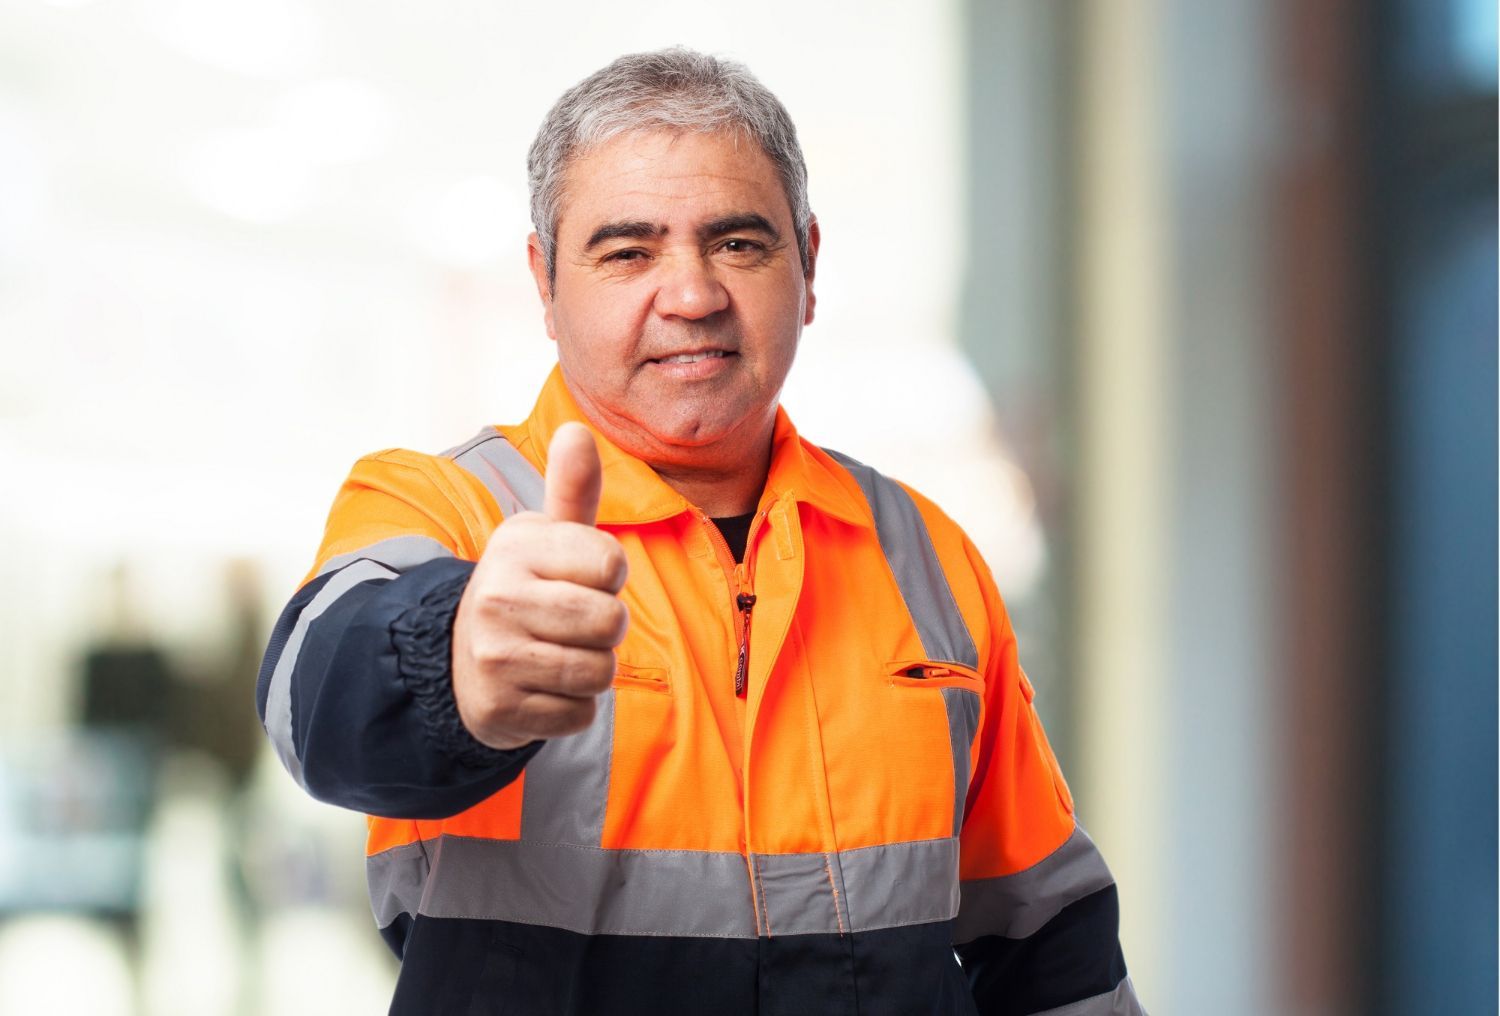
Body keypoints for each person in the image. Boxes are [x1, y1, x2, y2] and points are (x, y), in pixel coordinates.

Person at [256, 47, 1145, 1016]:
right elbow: (319, 697)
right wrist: (451, 658)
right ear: (545, 284)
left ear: (807, 267)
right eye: (628, 251)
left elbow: (1046, 935)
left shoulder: (923, 549)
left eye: (738, 243)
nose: (691, 293)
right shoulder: (445, 506)